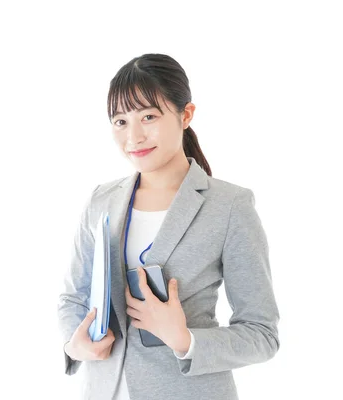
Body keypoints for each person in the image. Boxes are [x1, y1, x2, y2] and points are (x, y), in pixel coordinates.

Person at [57, 53, 280, 400]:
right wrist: (75, 345)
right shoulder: (101, 200)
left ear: (185, 115)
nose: (134, 136)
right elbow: (73, 297)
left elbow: (262, 334)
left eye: (149, 116)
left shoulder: (230, 206)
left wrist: (185, 340)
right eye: (120, 121)